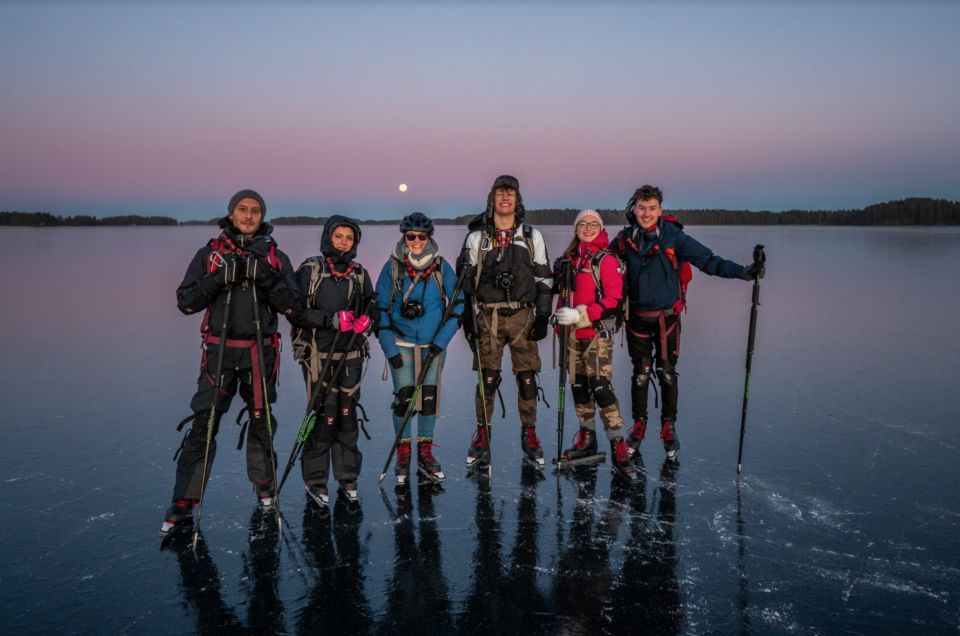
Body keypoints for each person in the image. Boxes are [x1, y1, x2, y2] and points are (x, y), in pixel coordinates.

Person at [161, 189, 301, 535]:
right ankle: (184, 502)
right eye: (243, 209)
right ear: (231, 212)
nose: (249, 216)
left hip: (259, 352)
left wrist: (265, 278)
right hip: (219, 353)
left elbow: (295, 308)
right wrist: (218, 279)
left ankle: (265, 486)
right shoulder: (210, 254)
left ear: (262, 216)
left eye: (255, 211)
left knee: (262, 422)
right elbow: (186, 302)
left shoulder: (275, 257)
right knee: (204, 424)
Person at [613, 185, 764, 461]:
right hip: (636, 319)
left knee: (667, 371)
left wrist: (744, 272)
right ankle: (639, 424)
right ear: (633, 209)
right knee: (641, 373)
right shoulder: (624, 239)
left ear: (660, 210)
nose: (646, 213)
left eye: (652, 208)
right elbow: (603, 265)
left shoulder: (674, 237)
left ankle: (668, 426)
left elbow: (708, 261)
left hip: (667, 319)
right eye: (641, 208)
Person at [458, 175, 553, 469]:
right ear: (492, 198)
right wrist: (466, 317)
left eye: (511, 193)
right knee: (486, 378)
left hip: (524, 315)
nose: (505, 197)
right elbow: (464, 283)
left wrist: (544, 315)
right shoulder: (477, 238)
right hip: (489, 317)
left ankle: (530, 433)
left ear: (517, 200)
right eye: (500, 192)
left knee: (526, 378)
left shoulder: (530, 235)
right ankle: (482, 434)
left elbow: (543, 277)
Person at [288, 215, 376, 506]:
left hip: (351, 355)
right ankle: (315, 480)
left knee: (348, 414)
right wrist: (331, 320)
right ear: (328, 238)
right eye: (339, 237)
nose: (343, 243)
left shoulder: (359, 273)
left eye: (349, 238)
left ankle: (347, 477)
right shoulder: (311, 270)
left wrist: (368, 321)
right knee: (324, 416)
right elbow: (295, 311)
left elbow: (372, 305)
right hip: (318, 355)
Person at [375, 212, 463, 486]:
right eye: (410, 236)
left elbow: (458, 303)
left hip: (433, 344)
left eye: (421, 236)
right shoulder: (392, 267)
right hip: (400, 343)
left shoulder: (441, 267)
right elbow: (380, 309)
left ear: (429, 237)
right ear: (404, 236)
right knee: (404, 397)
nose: (415, 241)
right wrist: (389, 348)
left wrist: (442, 340)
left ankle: (425, 449)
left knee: (428, 398)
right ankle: (404, 449)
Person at [553, 210, 637, 480]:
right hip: (570, 337)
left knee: (601, 387)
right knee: (579, 387)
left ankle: (618, 444)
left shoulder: (606, 259)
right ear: (576, 227)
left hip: (596, 335)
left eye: (593, 224)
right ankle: (587, 437)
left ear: (600, 228)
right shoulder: (570, 259)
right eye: (582, 224)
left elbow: (614, 298)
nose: (587, 228)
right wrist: (558, 321)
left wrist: (582, 315)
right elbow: (560, 293)